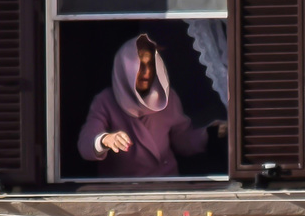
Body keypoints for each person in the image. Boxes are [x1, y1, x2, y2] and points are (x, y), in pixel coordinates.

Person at [78, 34, 222, 178]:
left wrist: (210, 134)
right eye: (139, 65)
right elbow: (86, 143)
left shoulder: (167, 97)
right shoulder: (106, 101)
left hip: (166, 183)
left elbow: (182, 139)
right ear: (125, 67)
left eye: (150, 64)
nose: (146, 72)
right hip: (124, 190)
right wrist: (105, 140)